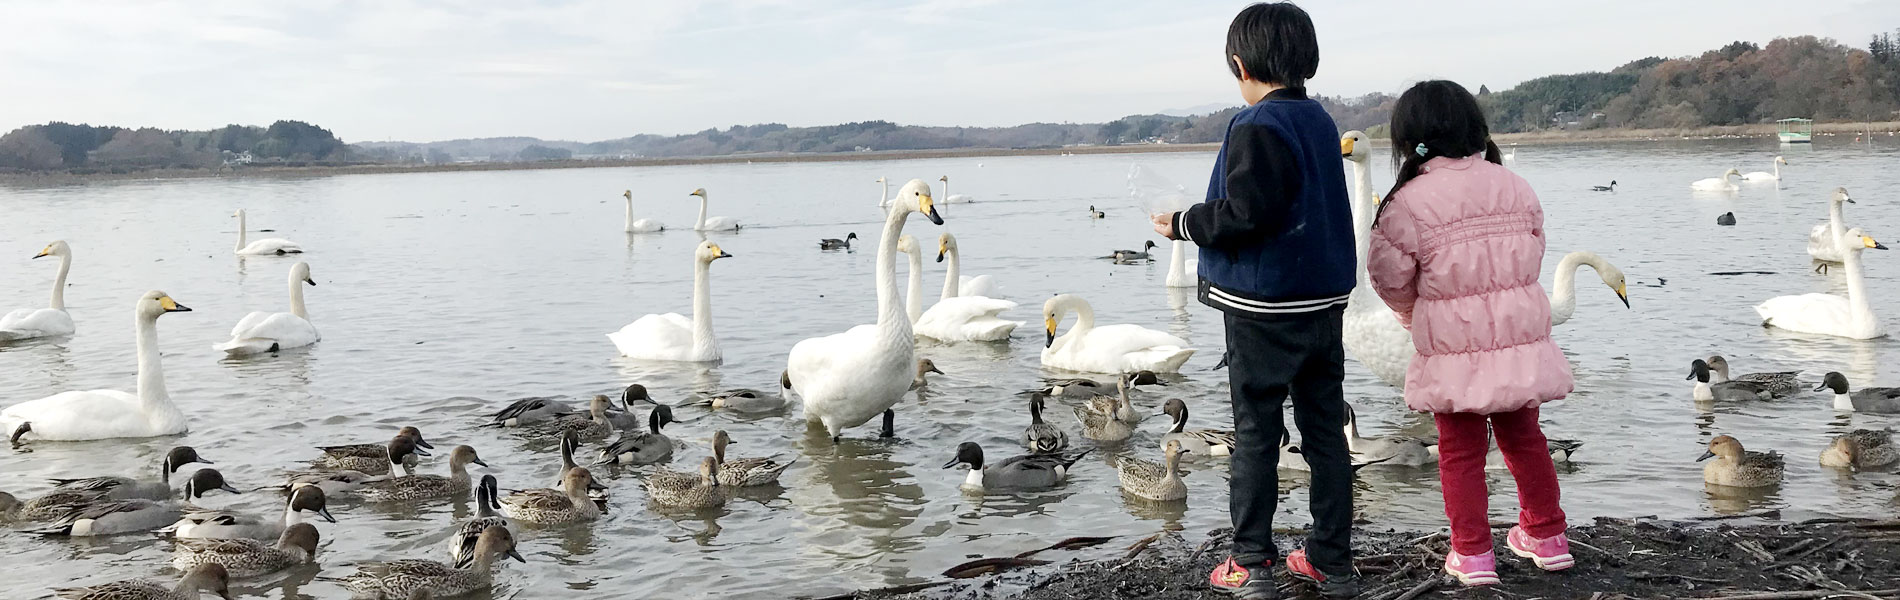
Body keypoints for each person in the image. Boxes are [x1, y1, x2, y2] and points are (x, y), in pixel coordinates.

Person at [1151, 3, 1359, 598]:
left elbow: (1247, 213)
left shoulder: (1256, 125)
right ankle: (1331, 559)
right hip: (1322, 302)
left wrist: (1183, 223)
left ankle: (1251, 563)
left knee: (1256, 431)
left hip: (1264, 308)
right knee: (1323, 430)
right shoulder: (1320, 122)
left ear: (1239, 65)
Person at [1365, 80, 1576, 587]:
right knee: (1525, 439)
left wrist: (1412, 314)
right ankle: (1547, 538)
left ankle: (1473, 554)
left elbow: (1386, 275)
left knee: (1459, 450)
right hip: (1516, 336)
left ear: (1410, 138)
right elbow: (1532, 254)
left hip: (1453, 346)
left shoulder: (1406, 202)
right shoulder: (1514, 184)